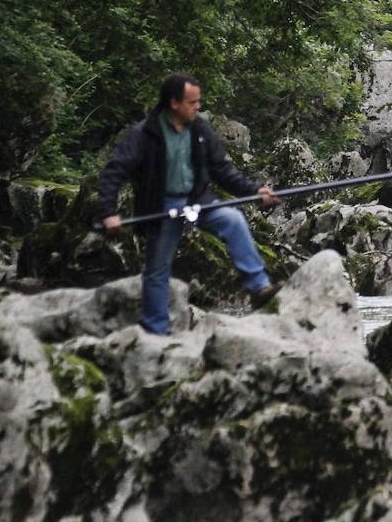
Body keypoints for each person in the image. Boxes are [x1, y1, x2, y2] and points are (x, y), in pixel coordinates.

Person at [98, 73, 280, 334]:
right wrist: (108, 212)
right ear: (174, 103)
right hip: (161, 205)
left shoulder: (200, 130)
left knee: (233, 219)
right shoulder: (145, 134)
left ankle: (259, 286)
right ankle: (156, 330)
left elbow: (222, 170)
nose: (197, 107)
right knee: (158, 268)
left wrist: (255, 191)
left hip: (197, 201)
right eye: (192, 102)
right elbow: (114, 172)